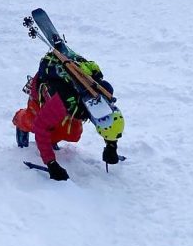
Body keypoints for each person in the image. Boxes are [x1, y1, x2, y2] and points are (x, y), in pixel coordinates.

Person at [13, 50, 124, 180]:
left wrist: (111, 145)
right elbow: (40, 128)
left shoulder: (103, 102)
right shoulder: (62, 100)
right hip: (42, 99)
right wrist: (51, 163)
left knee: (73, 134)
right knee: (39, 125)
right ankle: (21, 120)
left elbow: (108, 124)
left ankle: (52, 137)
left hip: (69, 106)